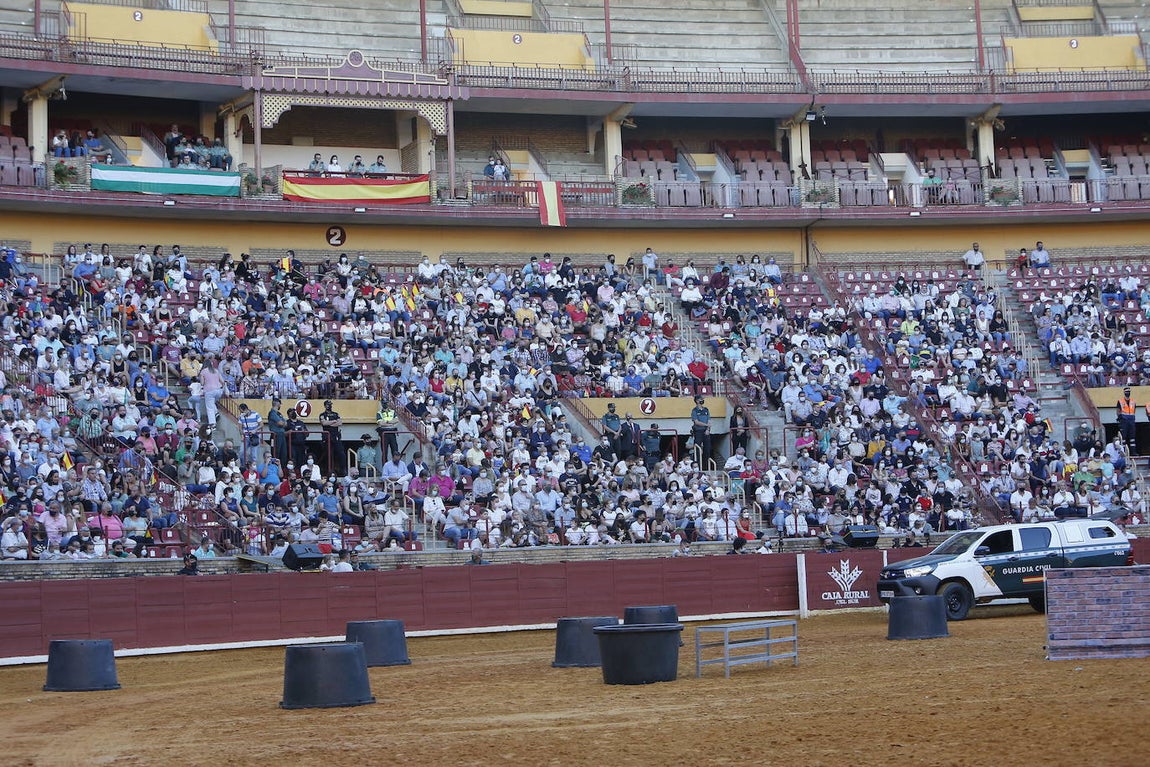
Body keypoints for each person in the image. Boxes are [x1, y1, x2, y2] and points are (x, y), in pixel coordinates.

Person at [319, 400, 345, 475]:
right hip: (327, 438)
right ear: (325, 405)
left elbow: (340, 423)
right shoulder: (322, 414)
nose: (329, 406)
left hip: (336, 436)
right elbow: (324, 423)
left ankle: (342, 471)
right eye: (328, 404)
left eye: (330, 404)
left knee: (341, 454)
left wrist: (329, 423)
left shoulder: (335, 414)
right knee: (328, 455)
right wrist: (334, 421)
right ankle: (327, 471)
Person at [690, 396, 712, 462]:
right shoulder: (694, 410)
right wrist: (706, 425)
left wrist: (708, 429)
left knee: (707, 449)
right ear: (697, 401)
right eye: (701, 399)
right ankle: (698, 465)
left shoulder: (706, 409)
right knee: (697, 449)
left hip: (706, 431)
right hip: (698, 431)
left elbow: (709, 420)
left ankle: (706, 466)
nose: (702, 400)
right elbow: (696, 422)